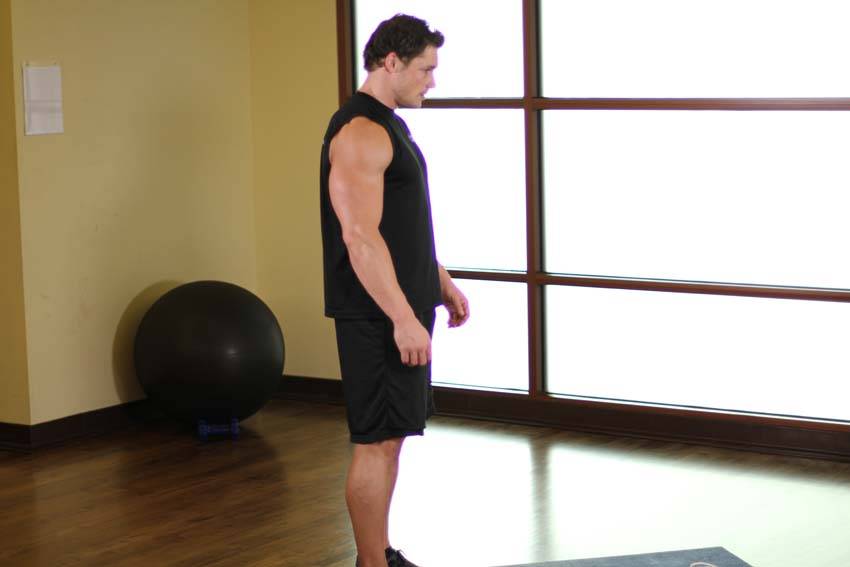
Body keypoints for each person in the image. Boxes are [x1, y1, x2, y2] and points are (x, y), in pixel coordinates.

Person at [319, 13, 470, 567]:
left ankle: (377, 553)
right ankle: (370, 563)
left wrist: (439, 280)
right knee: (375, 441)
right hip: (377, 314)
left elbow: (400, 226)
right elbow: (359, 236)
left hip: (403, 305)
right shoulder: (360, 132)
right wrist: (403, 318)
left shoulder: (390, 126)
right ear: (391, 62)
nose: (432, 81)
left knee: (391, 439)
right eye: (425, 69)